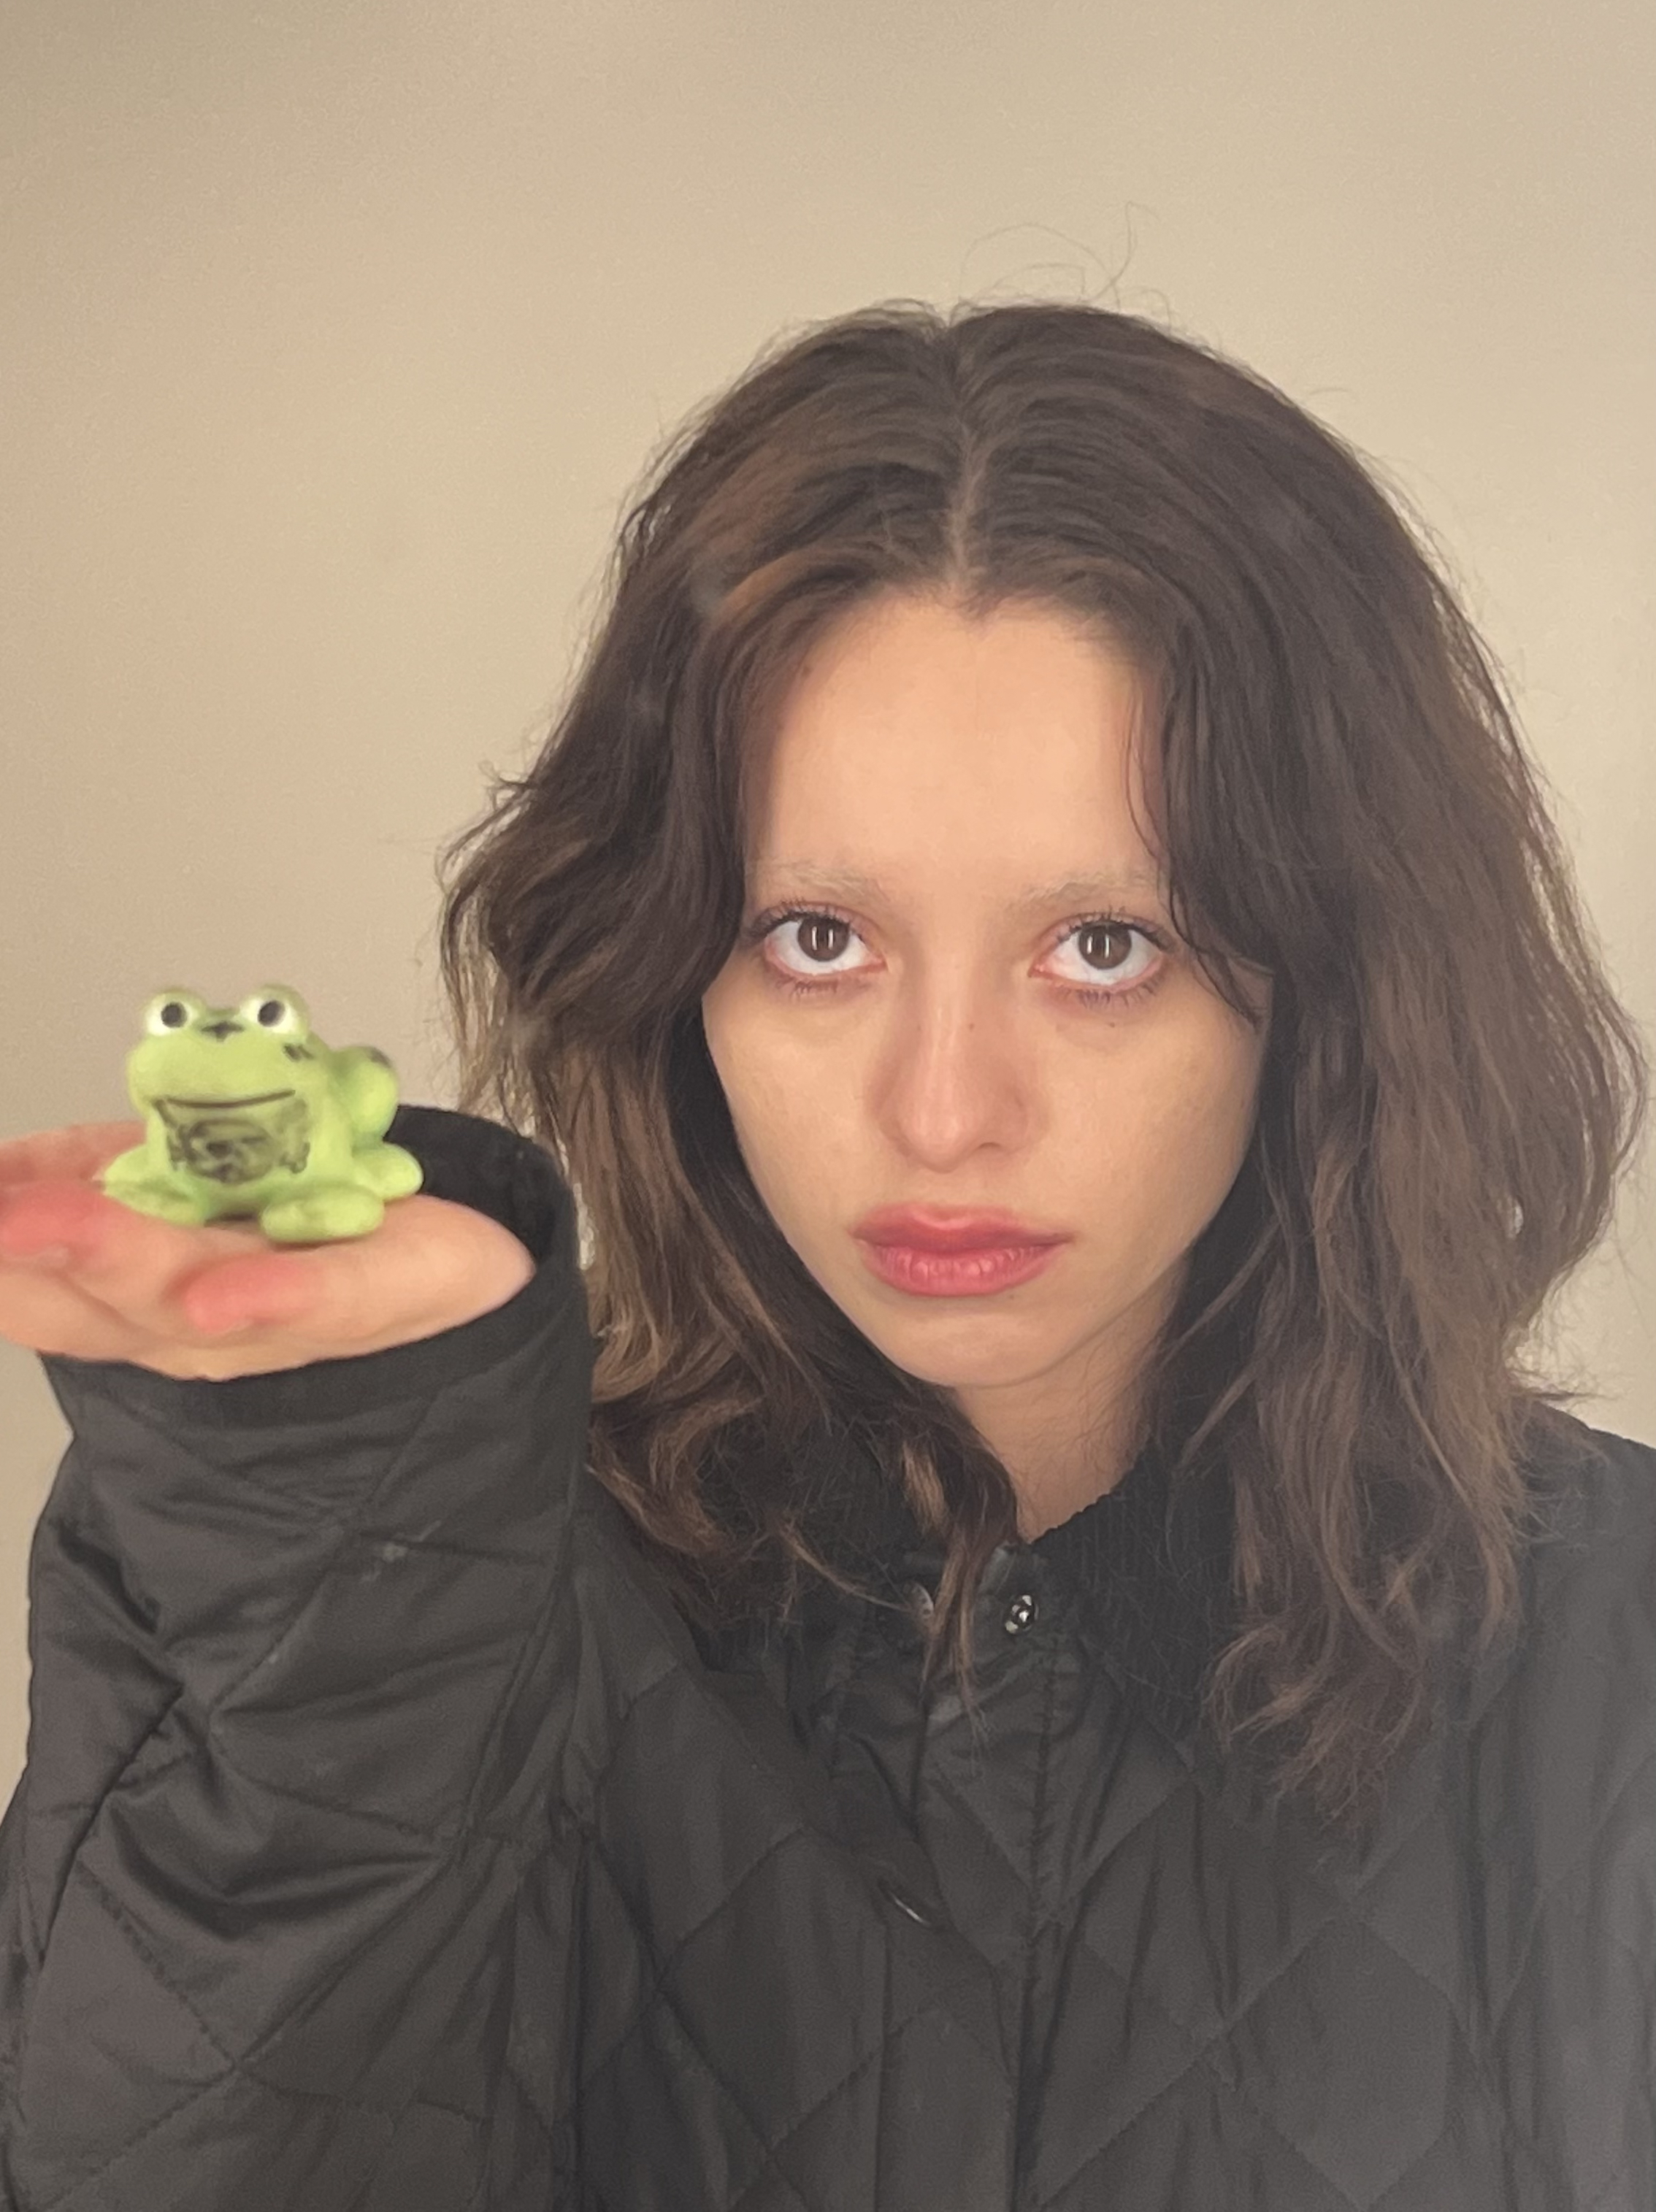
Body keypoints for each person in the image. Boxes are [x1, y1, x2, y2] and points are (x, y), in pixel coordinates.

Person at [0, 299, 1651, 2211]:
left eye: (1101, 947)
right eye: (816, 939)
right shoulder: (414, 1603)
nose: (941, 1113)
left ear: (1335, 986)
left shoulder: (1612, 1649)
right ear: (669, 965)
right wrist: (334, 1570)